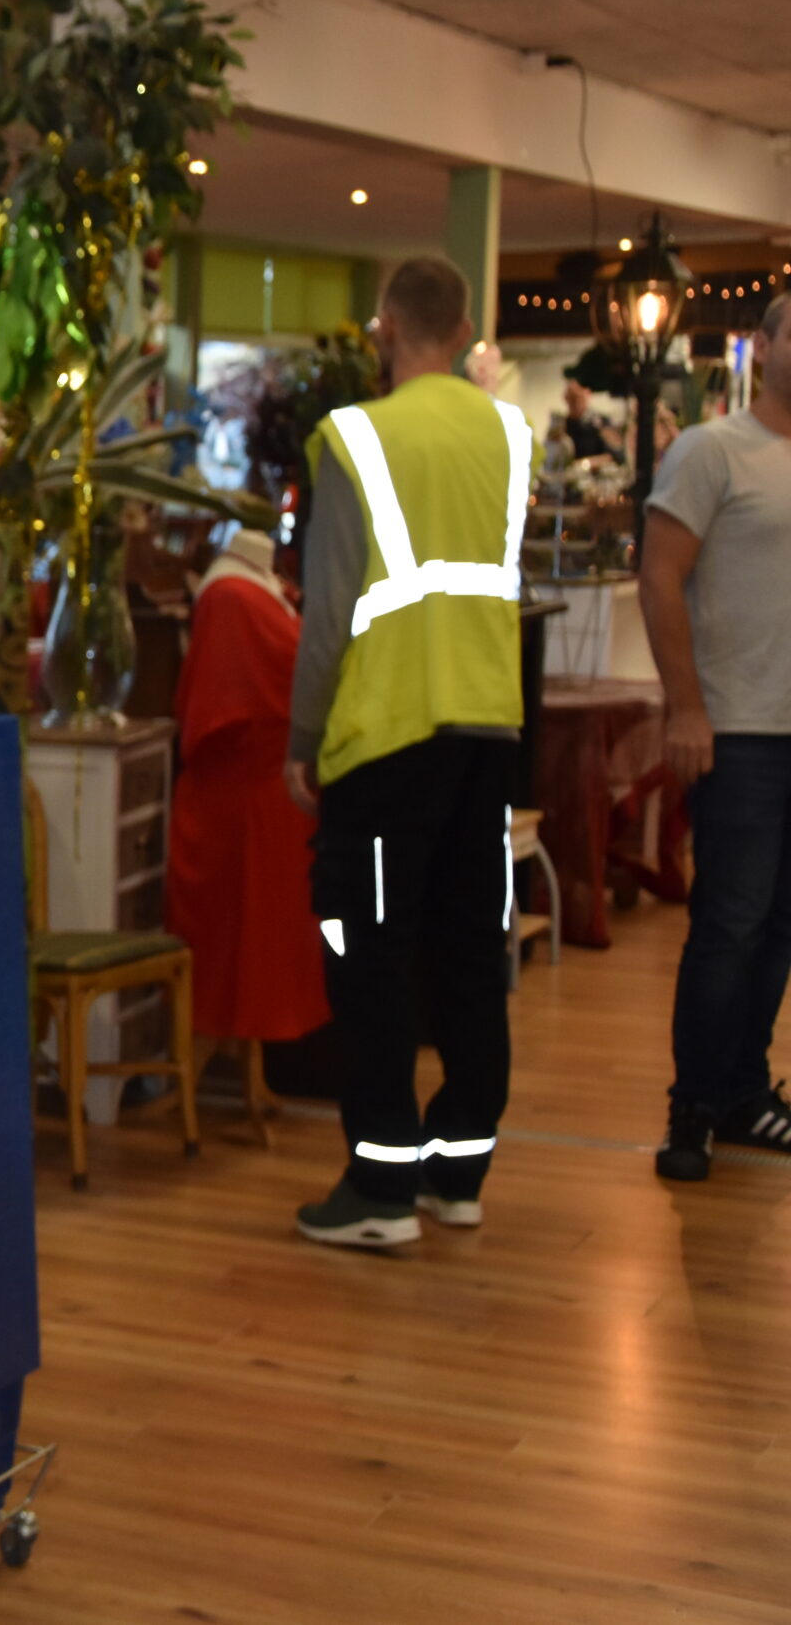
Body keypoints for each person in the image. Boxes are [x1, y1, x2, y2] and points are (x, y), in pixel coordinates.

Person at [282, 256, 530, 1249]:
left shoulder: (355, 436)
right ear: (465, 328)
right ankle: (455, 1172)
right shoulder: (508, 434)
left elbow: (330, 609)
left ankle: (380, 1185)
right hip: (489, 727)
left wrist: (302, 740)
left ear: (384, 328)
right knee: (472, 950)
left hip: (386, 733)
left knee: (369, 955)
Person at [643, 290, 791, 1181]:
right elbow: (660, 580)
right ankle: (692, 1104)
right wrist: (684, 705)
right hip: (738, 729)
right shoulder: (712, 450)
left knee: (780, 926)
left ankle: (743, 1090)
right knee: (728, 924)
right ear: (765, 345)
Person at [169, 527, 328, 1052]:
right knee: (235, 942)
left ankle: (253, 1062)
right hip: (239, 797)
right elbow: (215, 712)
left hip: (270, 793)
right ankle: (218, 1059)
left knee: (267, 944)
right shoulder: (231, 596)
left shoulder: (260, 590)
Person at [562, 375, 612, 460]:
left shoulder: (601, 423)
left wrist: (586, 464)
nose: (576, 403)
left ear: (588, 395)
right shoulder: (562, 426)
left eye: (580, 398)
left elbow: (612, 456)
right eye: (573, 398)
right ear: (566, 398)